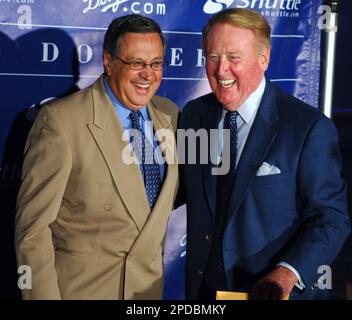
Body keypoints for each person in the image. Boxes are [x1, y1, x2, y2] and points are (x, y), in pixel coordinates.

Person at [179, 8, 350, 300]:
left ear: (264, 59)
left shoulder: (307, 128)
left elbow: (331, 217)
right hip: (203, 295)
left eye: (233, 58)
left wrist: (286, 273)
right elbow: (181, 190)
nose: (220, 70)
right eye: (212, 57)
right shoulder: (195, 115)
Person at [15, 14, 179, 300]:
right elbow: (32, 231)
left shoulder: (170, 115)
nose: (148, 74)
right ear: (108, 61)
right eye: (136, 63)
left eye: (156, 64)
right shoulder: (61, 121)